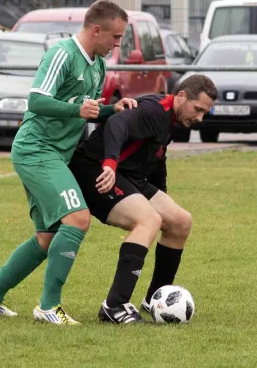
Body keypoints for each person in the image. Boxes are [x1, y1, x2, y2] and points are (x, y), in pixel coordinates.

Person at [0, 0, 136, 325]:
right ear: (96, 29)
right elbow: (36, 99)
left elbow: (87, 108)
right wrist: (78, 110)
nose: (117, 45)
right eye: (115, 37)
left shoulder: (98, 65)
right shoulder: (62, 53)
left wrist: (112, 110)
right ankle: (48, 306)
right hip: (37, 150)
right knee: (77, 219)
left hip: (55, 155)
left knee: (47, 237)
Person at [68, 74, 218, 324]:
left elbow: (157, 158)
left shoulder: (172, 118)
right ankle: (114, 306)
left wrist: (162, 194)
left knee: (180, 221)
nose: (199, 118)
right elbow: (117, 123)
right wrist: (110, 164)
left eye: (205, 113)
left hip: (128, 175)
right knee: (148, 220)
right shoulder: (154, 110)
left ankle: (156, 299)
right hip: (94, 170)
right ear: (181, 97)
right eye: (198, 109)